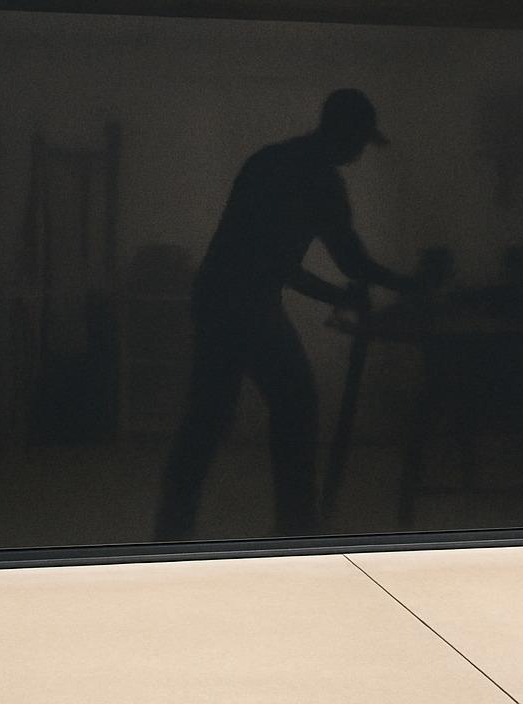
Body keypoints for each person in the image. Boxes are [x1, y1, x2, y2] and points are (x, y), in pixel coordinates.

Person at [154, 89, 426, 540]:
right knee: (291, 404)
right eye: (360, 140)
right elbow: (344, 262)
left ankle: (174, 530)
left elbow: (278, 262)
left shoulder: (270, 161)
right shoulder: (320, 181)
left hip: (223, 299)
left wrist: (340, 292)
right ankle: (296, 526)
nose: (360, 152)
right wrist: (406, 285)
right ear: (347, 133)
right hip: (244, 305)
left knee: (210, 417)